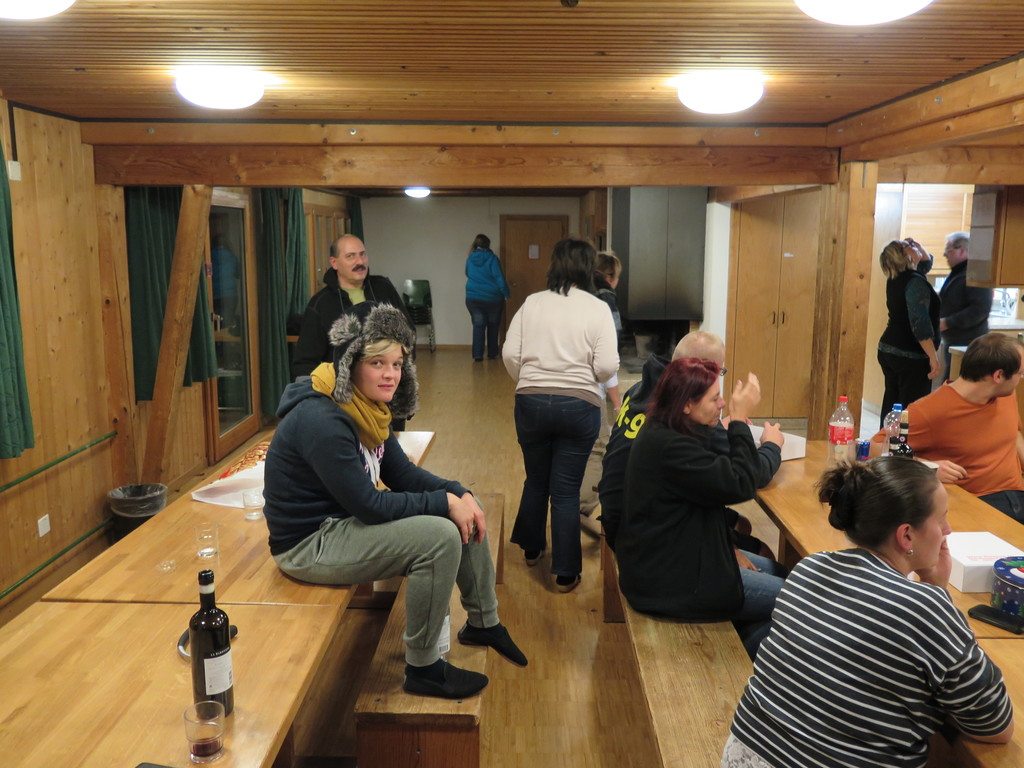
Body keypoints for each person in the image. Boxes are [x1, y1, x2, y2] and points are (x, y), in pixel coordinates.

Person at [263, 303, 526, 699]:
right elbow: (370, 506)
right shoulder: (322, 419)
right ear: (350, 363)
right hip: (309, 544)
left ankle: (483, 623)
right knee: (439, 537)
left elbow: (402, 475)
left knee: (468, 505)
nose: (390, 374)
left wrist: (458, 492)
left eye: (398, 364)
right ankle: (423, 668)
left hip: (342, 522)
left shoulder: (364, 405)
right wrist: (443, 504)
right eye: (377, 363)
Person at [724, 458, 1014, 768]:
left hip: (744, 756)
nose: (947, 530)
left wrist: (934, 589)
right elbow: (996, 726)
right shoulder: (925, 609)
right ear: (906, 536)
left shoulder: (810, 567)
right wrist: (936, 592)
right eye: (941, 518)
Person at [616, 358, 786, 659]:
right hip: (671, 583)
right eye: (714, 399)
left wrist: (729, 547)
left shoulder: (668, 428)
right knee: (801, 602)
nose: (722, 404)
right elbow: (742, 483)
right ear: (686, 405)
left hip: (672, 561)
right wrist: (739, 421)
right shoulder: (671, 446)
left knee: (783, 574)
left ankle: (748, 644)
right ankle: (744, 660)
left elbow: (707, 495)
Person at [502, 238, 619, 593]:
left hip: (531, 402)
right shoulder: (597, 308)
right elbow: (607, 366)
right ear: (588, 268)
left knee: (536, 479)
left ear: (554, 265)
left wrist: (529, 380)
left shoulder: (532, 303)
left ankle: (532, 548)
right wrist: (585, 378)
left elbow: (510, 354)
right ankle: (565, 573)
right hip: (579, 405)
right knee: (566, 490)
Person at [599, 331, 782, 555]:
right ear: (700, 371)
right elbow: (750, 478)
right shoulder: (678, 418)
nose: (721, 400)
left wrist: (716, 424)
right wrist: (771, 445)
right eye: (719, 372)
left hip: (621, 509)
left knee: (739, 523)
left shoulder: (641, 390)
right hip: (646, 533)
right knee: (761, 551)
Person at [880, 332, 1024, 523]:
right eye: (1020, 373)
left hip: (1018, 493)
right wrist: (928, 467)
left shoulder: (1005, 393)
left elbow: (1013, 432)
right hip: (979, 503)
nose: (1021, 378)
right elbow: (876, 448)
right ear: (998, 375)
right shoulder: (929, 410)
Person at [291, 234, 413, 380]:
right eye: (350, 256)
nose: (360, 261)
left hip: (388, 383)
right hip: (343, 388)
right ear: (334, 263)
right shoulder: (320, 304)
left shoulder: (384, 289)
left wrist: (401, 373)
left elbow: (408, 333)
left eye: (362, 254)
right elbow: (304, 363)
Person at [579, 250, 623, 532]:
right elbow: (608, 359)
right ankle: (581, 509)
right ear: (609, 277)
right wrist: (618, 403)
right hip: (589, 391)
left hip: (558, 390)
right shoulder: (606, 301)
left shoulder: (575, 296)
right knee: (599, 449)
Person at [877, 236, 941, 425]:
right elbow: (920, 324)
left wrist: (918, 247)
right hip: (909, 355)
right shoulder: (915, 283)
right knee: (910, 410)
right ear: (904, 256)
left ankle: (885, 440)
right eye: (909, 246)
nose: (915, 247)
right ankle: (902, 443)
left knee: (892, 404)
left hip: (889, 349)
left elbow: (925, 264)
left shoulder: (898, 277)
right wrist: (933, 357)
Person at [939, 231, 993, 380]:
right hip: (956, 342)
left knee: (957, 384)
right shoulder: (959, 272)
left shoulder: (975, 274)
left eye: (948, 250)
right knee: (951, 382)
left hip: (968, 344)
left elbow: (980, 309)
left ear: (962, 250)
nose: (945, 254)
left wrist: (948, 322)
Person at [464, 234, 510, 362]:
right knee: (493, 325)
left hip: (473, 298)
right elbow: (499, 278)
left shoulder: (470, 258)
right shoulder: (493, 259)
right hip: (493, 299)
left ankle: (477, 355)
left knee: (478, 325)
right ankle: (492, 353)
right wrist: (506, 293)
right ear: (488, 245)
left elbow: (467, 273)